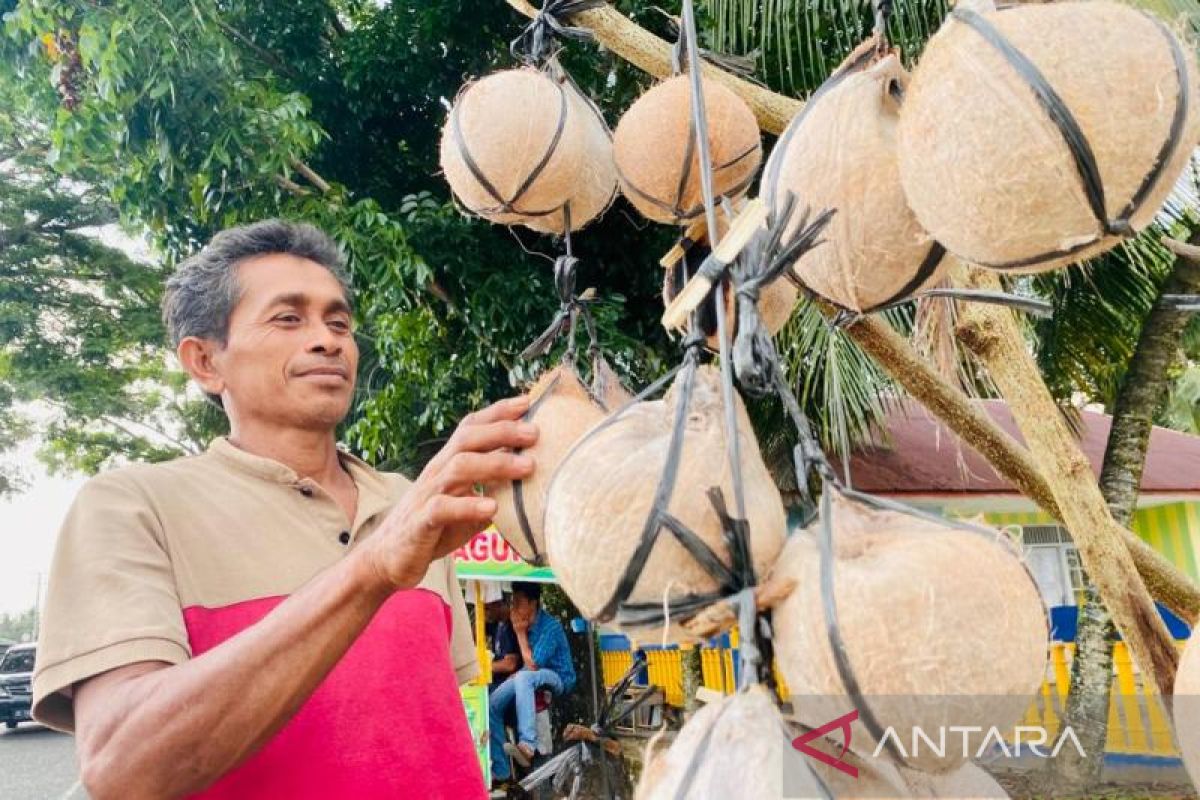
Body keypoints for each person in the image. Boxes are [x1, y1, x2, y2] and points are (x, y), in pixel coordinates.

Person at [30, 220, 539, 799]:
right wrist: (371, 569)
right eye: (288, 318)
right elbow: (124, 766)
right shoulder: (133, 507)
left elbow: (426, 730)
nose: (328, 340)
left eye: (339, 321)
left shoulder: (409, 503)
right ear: (204, 361)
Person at [488, 582, 575, 784]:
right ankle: (501, 770)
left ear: (533, 603)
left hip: (558, 678)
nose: (513, 609)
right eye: (513, 603)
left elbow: (534, 664)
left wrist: (519, 632)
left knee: (524, 677)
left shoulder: (550, 627)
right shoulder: (527, 624)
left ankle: (527, 744)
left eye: (518, 603)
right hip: (529, 674)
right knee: (492, 703)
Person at [484, 594, 521, 689]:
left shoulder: (512, 627)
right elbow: (474, 635)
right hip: (493, 680)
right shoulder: (496, 623)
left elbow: (510, 664)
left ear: (498, 603)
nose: (484, 613)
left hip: (506, 684)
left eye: (487, 609)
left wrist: (484, 667)